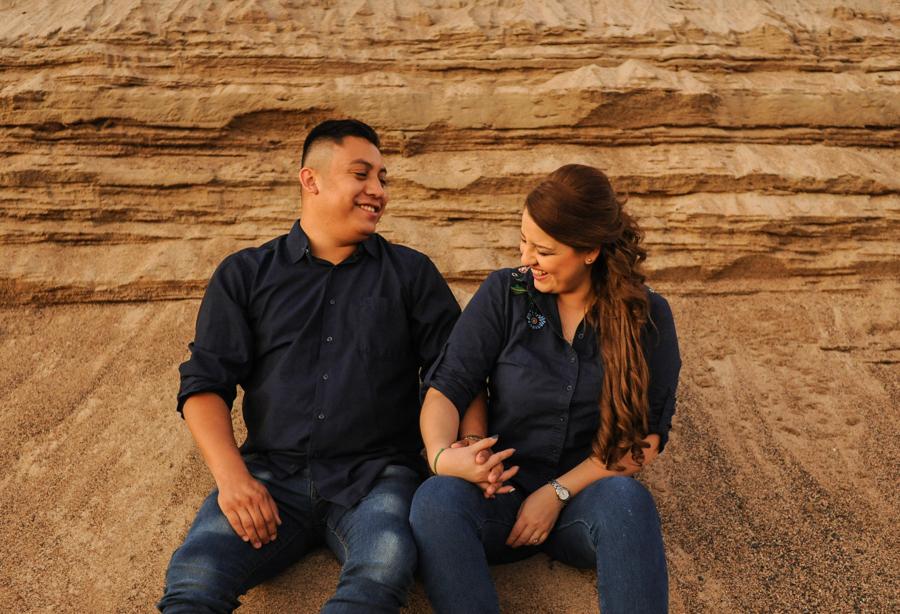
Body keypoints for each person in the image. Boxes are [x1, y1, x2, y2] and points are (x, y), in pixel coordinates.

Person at [157, 119, 466, 614]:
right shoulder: (245, 274)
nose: (377, 190)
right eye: (361, 174)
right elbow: (204, 385)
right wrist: (233, 478)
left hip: (377, 479)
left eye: (383, 179)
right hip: (268, 475)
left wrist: (461, 450)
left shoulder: (411, 274)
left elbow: (455, 376)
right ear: (310, 179)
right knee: (194, 575)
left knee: (383, 570)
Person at [409, 164, 682, 614]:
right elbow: (448, 384)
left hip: (584, 499)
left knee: (629, 502)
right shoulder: (506, 293)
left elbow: (646, 439)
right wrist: (444, 455)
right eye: (524, 242)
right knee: (435, 501)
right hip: (499, 494)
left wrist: (556, 493)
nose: (526, 260)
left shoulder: (648, 316)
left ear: (590, 250)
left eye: (544, 250)